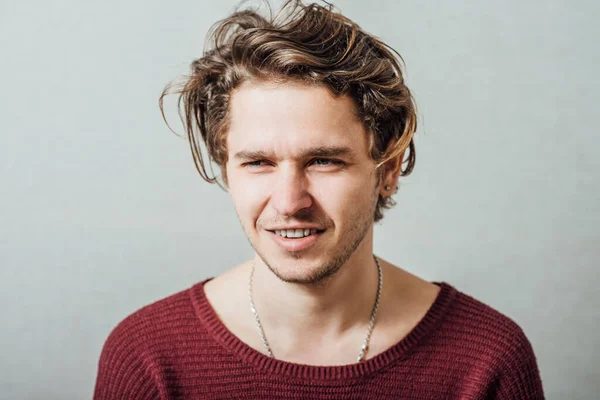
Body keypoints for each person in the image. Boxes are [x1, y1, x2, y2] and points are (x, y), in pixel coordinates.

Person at [94, 1, 545, 398]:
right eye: (257, 163)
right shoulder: (148, 357)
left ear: (386, 170)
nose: (289, 202)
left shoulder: (487, 360)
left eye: (324, 161)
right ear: (227, 170)